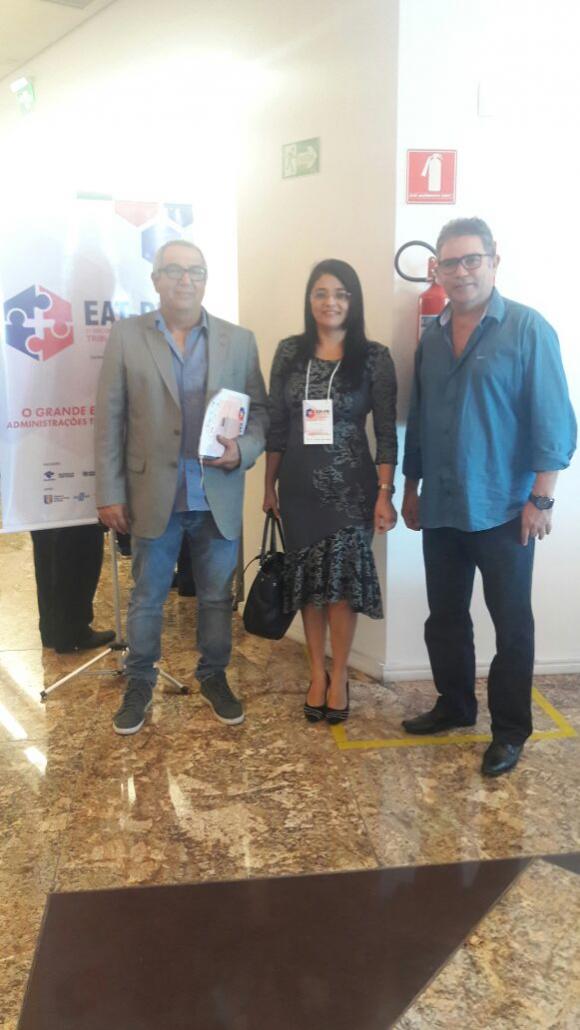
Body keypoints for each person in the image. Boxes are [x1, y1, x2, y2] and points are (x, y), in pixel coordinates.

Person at [402, 217, 577, 777]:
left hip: (505, 509)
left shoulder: (527, 329)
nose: (461, 272)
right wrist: (411, 487)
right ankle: (455, 705)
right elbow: (420, 420)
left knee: (512, 625)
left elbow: (554, 419)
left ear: (493, 261)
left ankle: (509, 730)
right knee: (445, 618)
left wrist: (541, 499)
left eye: (471, 260)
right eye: (450, 263)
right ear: (438, 270)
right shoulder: (432, 339)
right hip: (442, 507)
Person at [95, 239, 268, 735]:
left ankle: (214, 676)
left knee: (215, 597)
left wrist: (243, 450)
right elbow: (109, 419)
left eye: (196, 271)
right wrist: (109, 491)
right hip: (154, 495)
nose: (185, 279)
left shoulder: (239, 340)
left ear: (206, 279)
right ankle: (139, 682)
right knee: (148, 597)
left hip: (216, 495)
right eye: (174, 270)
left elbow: (261, 413)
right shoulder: (127, 337)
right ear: (155, 279)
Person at [263, 259, 398, 724]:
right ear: (309, 299)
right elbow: (277, 425)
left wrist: (385, 493)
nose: (330, 302)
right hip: (298, 487)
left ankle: (339, 675)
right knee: (309, 588)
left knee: (341, 588)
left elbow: (386, 433)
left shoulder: (374, 357)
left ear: (353, 301)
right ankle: (315, 673)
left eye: (341, 293)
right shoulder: (289, 352)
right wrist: (268, 484)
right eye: (321, 293)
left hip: (352, 490)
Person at [30, 523, 114, 652]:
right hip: (75, 515)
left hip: (42, 516)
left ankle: (52, 631)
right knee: (80, 548)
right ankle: (74, 633)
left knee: (46, 552)